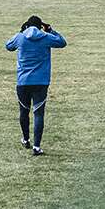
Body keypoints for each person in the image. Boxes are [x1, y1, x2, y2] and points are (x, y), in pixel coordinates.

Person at [6, 16, 67, 155]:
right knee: (38, 113)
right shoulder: (46, 38)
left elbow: (8, 46)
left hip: (23, 82)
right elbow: (62, 42)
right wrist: (51, 30)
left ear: (27, 26)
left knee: (24, 111)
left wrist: (21, 31)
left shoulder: (20, 37)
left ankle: (26, 139)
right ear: (41, 27)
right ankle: (37, 147)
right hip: (41, 82)